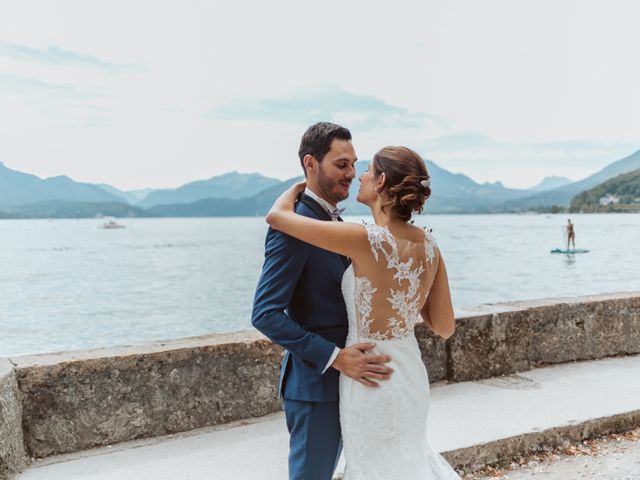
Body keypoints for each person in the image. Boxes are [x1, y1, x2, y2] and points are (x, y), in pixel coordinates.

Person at [266, 145, 460, 479]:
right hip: (408, 377)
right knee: (408, 462)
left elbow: (277, 218)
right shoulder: (430, 246)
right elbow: (444, 326)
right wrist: (405, 300)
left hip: (368, 376)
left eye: (368, 170)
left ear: (382, 181)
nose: (360, 176)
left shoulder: (363, 238)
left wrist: (297, 187)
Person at [252, 122, 395, 480]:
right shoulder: (295, 226)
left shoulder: (334, 223)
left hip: (351, 384)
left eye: (354, 164)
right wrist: (335, 358)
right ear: (310, 164)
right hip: (315, 389)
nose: (351, 174)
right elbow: (265, 313)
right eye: (341, 164)